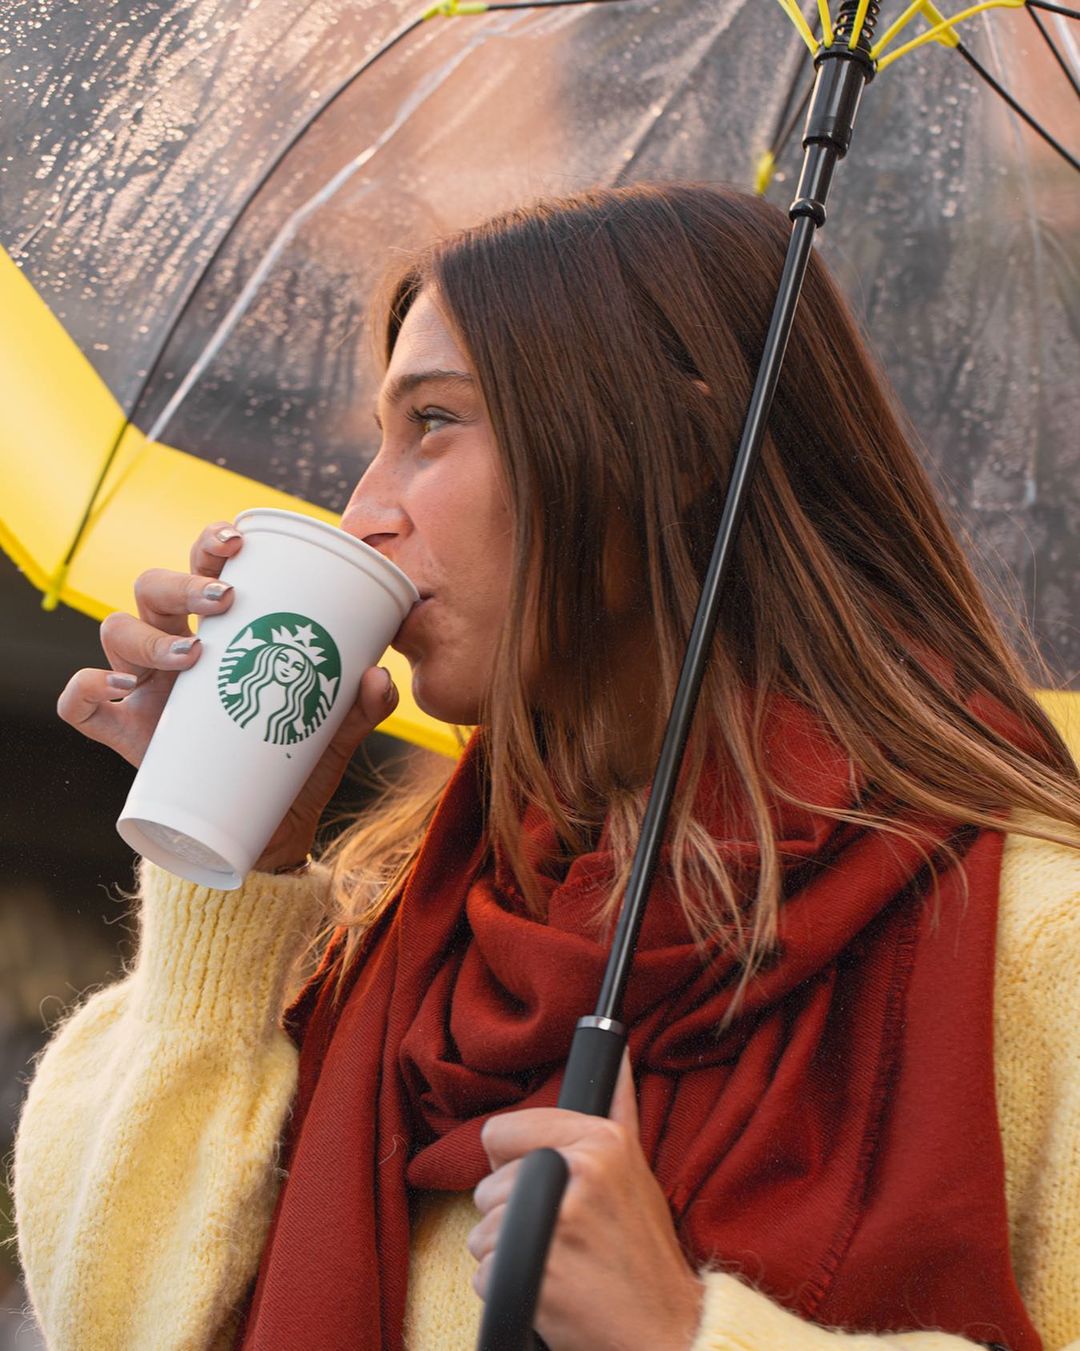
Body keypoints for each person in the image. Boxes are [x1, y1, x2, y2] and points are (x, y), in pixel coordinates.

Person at [11, 183, 1080, 1351]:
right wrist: (230, 855)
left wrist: (683, 1332)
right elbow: (111, 1319)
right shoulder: (412, 929)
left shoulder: (1031, 937)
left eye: (434, 423)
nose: (364, 509)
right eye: (378, 438)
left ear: (671, 452)